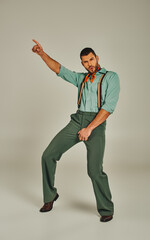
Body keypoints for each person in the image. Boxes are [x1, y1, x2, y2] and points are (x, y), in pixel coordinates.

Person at [32, 39, 120, 222]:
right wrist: (42, 54)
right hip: (77, 119)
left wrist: (89, 129)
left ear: (97, 58)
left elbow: (108, 108)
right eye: (86, 62)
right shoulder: (81, 78)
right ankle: (50, 196)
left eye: (91, 59)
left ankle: (106, 209)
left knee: (94, 171)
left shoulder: (111, 77)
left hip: (96, 123)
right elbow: (58, 69)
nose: (90, 64)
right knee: (48, 155)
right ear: (82, 63)